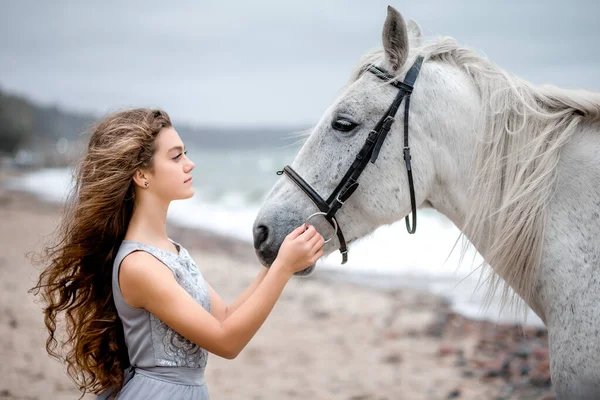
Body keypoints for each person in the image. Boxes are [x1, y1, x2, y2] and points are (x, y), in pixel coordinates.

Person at [31, 108, 324, 399]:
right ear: (142, 175)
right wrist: (284, 268)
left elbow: (223, 317)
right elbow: (227, 342)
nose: (190, 164)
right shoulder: (139, 266)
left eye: (185, 153)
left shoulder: (169, 250)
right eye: (176, 156)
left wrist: (274, 262)